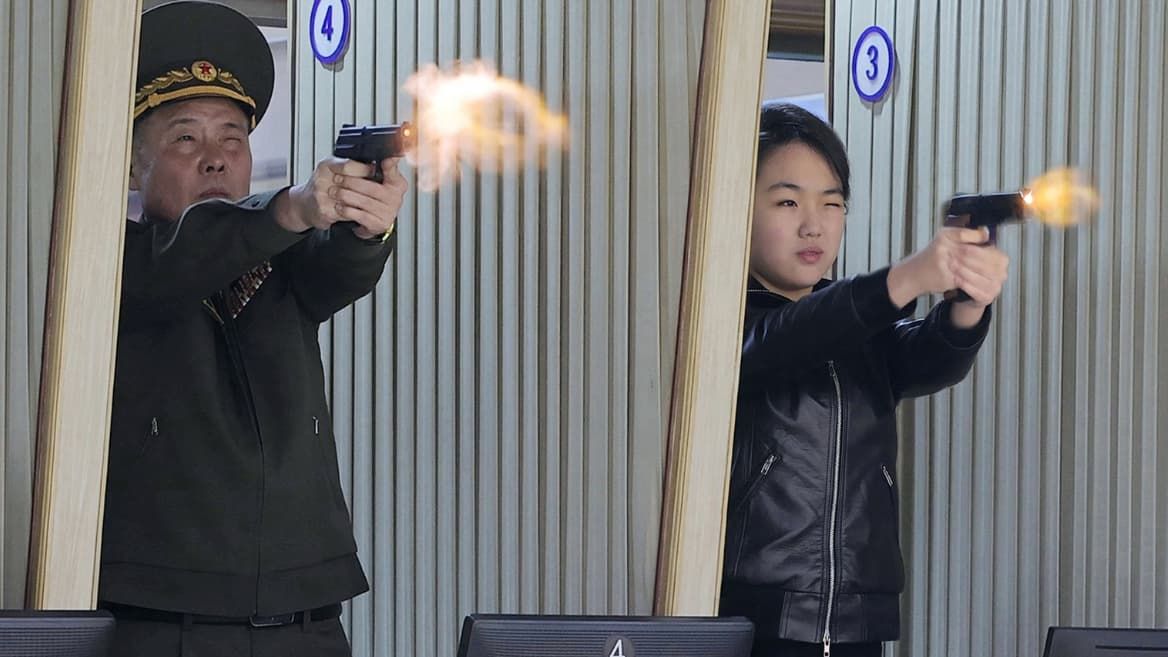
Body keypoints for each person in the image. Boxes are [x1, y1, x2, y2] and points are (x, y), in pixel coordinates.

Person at [98, 3, 408, 655]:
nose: (216, 159)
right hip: (164, 621)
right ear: (129, 166)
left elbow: (337, 269)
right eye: (185, 138)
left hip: (307, 619)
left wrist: (366, 224)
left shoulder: (278, 256)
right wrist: (292, 207)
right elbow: (184, 256)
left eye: (232, 138)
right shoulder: (109, 261)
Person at [718, 103, 1009, 657]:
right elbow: (785, 340)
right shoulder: (723, 318)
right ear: (736, 207)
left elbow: (928, 358)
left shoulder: (858, 325)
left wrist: (967, 302)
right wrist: (907, 278)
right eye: (787, 201)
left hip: (860, 617)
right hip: (755, 616)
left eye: (832, 203)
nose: (814, 224)